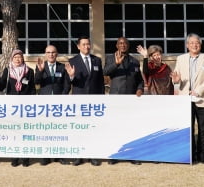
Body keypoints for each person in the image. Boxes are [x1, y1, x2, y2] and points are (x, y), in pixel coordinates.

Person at [171, 33, 204, 164]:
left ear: (200, 45)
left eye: (197, 43)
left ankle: (202, 155)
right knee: (188, 128)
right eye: (191, 43)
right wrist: (176, 80)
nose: (194, 45)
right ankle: (190, 154)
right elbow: (176, 77)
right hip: (185, 99)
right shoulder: (181, 59)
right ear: (187, 45)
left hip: (202, 98)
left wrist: (198, 91)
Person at [0, 49, 35, 167]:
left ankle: (25, 158)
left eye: (19, 57)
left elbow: (32, 90)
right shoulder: (8, 70)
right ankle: (14, 158)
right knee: (14, 132)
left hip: (25, 108)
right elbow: (1, 87)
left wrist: (31, 104)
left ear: (23, 58)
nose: (17, 59)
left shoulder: (29, 71)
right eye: (15, 57)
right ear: (12, 59)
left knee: (25, 133)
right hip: (12, 107)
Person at [104, 36, 144, 165]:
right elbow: (105, 72)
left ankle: (132, 154)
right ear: (116, 45)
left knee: (131, 127)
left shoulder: (134, 61)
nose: (123, 45)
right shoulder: (110, 58)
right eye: (120, 43)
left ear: (128, 46)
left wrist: (140, 89)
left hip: (131, 99)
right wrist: (116, 63)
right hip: (116, 99)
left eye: (125, 43)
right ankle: (114, 154)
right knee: (115, 127)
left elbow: (140, 80)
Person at [66, 37, 104, 166]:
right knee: (80, 129)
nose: (87, 46)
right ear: (78, 46)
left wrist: (102, 99)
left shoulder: (96, 60)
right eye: (84, 44)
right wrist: (71, 75)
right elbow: (69, 82)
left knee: (93, 128)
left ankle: (93, 154)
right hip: (79, 101)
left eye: (88, 44)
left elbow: (100, 82)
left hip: (94, 101)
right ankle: (79, 155)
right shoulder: (72, 61)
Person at [34, 44, 70, 166]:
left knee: (59, 130)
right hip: (45, 104)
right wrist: (40, 71)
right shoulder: (40, 66)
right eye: (48, 52)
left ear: (57, 54)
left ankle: (60, 155)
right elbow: (37, 82)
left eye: (53, 52)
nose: (51, 54)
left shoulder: (62, 67)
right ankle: (45, 155)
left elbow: (67, 85)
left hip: (59, 105)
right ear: (45, 54)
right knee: (46, 130)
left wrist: (63, 97)